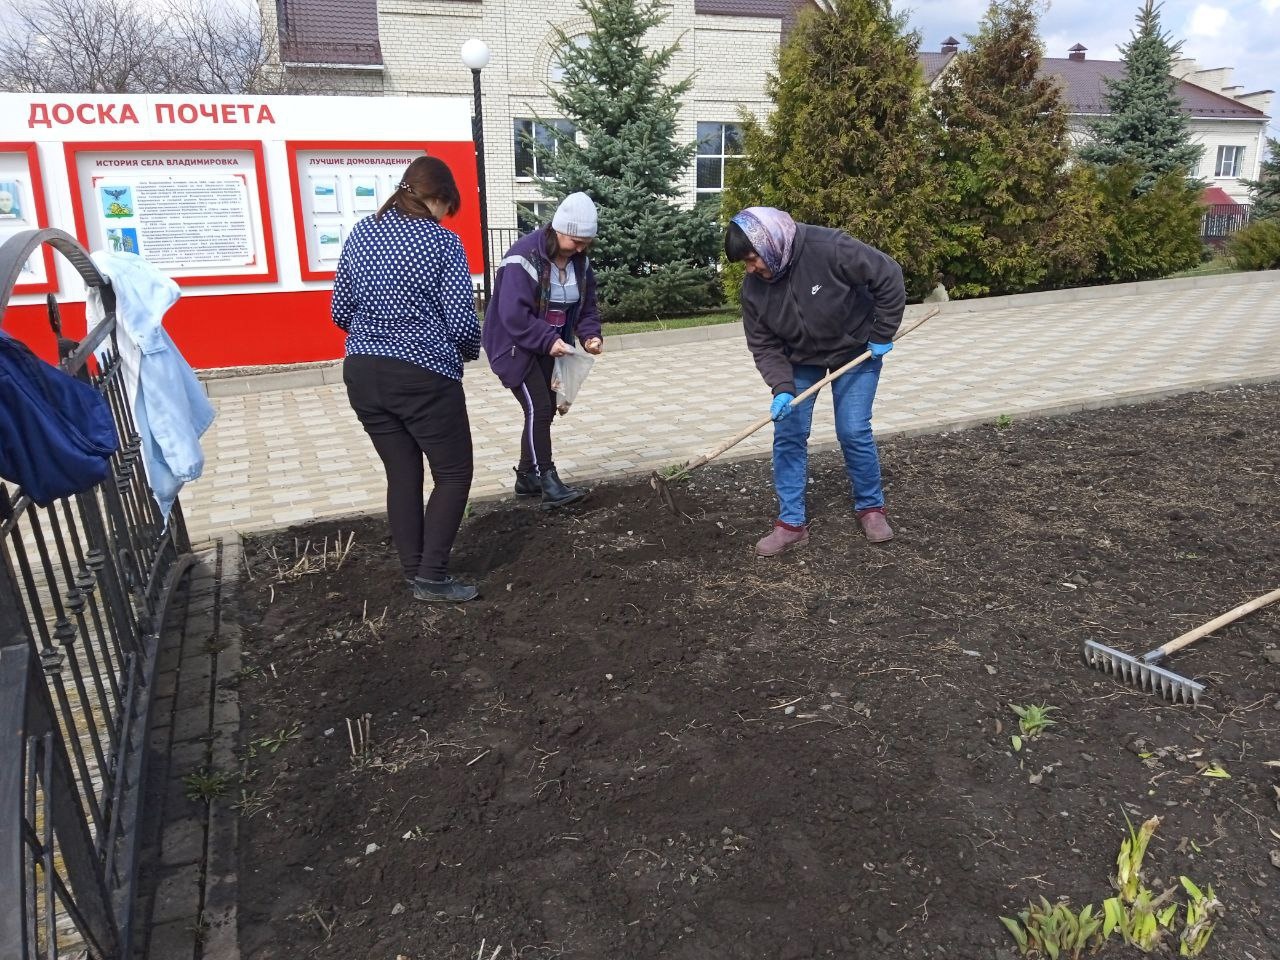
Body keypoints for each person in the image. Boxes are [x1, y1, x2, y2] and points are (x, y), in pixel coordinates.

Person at [331, 156, 481, 602]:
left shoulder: (362, 233)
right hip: (422, 376)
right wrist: (467, 353)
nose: (444, 215)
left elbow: (340, 310)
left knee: (402, 472)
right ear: (437, 198)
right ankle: (433, 577)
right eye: (446, 206)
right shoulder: (442, 243)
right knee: (454, 472)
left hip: (361, 372)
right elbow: (462, 323)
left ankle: (415, 570)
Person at [724, 207, 906, 556]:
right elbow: (763, 345)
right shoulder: (754, 291)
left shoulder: (830, 247)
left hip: (856, 350)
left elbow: (888, 275)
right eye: (745, 264)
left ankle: (871, 508)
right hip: (799, 359)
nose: (750, 269)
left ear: (769, 243)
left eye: (751, 259)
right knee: (789, 432)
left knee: (853, 430)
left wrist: (882, 332)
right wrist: (781, 388)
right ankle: (791, 524)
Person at [482, 192, 604, 508]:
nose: (581, 248)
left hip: (552, 347)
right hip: (514, 346)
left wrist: (590, 335)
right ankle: (547, 480)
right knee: (539, 407)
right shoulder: (523, 258)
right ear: (558, 229)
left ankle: (526, 477)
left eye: (586, 243)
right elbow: (513, 314)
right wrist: (548, 340)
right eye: (576, 241)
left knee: (542, 409)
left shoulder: (580, 262)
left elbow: (586, 306)